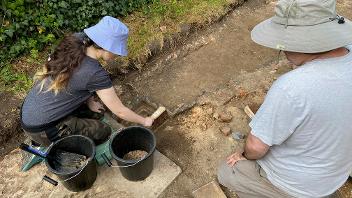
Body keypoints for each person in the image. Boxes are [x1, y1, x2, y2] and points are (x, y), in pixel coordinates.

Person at [217, 0, 352, 197]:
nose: (282, 50)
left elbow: (256, 147)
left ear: (303, 43)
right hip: (333, 175)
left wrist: (243, 155)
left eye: (285, 43)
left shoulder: (292, 87)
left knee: (227, 172)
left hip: (297, 185)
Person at [21, 16, 153, 146]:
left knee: (97, 113)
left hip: (31, 112)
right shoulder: (95, 73)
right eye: (117, 51)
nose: (118, 55)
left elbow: (75, 78)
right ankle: (62, 144)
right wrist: (144, 121)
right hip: (44, 130)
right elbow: (119, 111)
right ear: (106, 48)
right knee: (103, 131)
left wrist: (90, 101)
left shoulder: (76, 41)